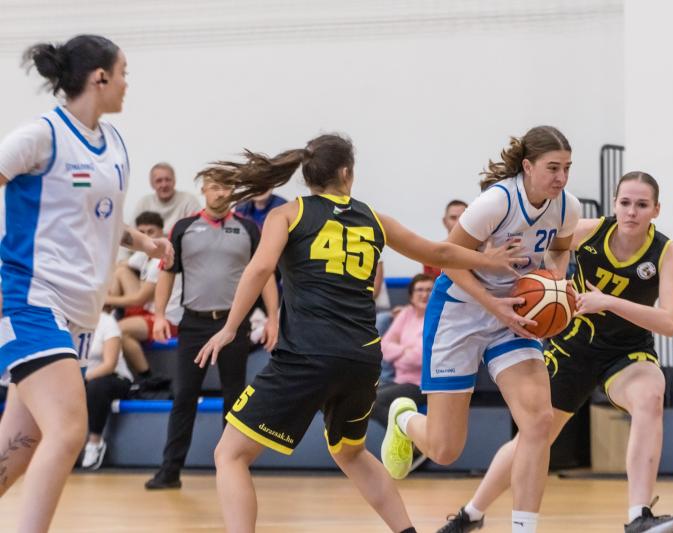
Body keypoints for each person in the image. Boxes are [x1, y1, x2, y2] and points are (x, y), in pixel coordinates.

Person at [194, 133, 523, 533]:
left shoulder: (288, 214)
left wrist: (230, 328)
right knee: (351, 453)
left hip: (308, 355)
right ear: (347, 173)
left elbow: (260, 269)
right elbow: (438, 253)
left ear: (307, 175)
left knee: (230, 454)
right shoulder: (374, 219)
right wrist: (487, 260)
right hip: (361, 359)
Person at [434, 172, 673, 533]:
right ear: (614, 204)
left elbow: (670, 322)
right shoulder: (588, 231)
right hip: (572, 347)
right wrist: (542, 273)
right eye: (625, 203)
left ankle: (639, 516)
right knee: (534, 435)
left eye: (642, 205)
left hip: (627, 352)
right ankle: (471, 514)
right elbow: (536, 244)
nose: (632, 211)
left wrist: (608, 302)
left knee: (651, 398)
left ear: (656, 210)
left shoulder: (668, 253)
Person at [0, 34, 172, 533]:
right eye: (123, 73)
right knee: (69, 429)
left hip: (79, 315)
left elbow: (102, 218)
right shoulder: (42, 135)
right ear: (100, 77)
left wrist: (146, 243)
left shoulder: (113, 143)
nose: (126, 83)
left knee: (22, 444)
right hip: (31, 300)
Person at [380, 126, 580, 533]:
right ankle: (404, 419)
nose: (561, 177)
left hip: (517, 311)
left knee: (538, 421)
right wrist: (493, 305)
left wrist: (556, 285)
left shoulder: (567, 207)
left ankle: (524, 529)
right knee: (445, 449)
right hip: (461, 311)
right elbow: (448, 262)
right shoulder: (495, 203)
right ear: (527, 166)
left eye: (567, 168)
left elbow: (560, 249)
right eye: (552, 168)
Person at [144, 171, 279, 490]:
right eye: (215, 187)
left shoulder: (249, 228)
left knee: (234, 397)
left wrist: (273, 318)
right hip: (194, 324)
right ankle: (170, 471)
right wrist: (159, 315)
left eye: (227, 186)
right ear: (203, 190)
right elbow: (167, 272)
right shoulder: (183, 227)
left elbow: (265, 274)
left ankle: (233, 469)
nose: (221, 192)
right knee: (184, 396)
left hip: (233, 324)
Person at [106, 211, 183, 376]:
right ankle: (104, 316)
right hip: (148, 310)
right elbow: (120, 266)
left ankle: (147, 377)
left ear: (161, 232)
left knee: (117, 330)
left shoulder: (161, 256)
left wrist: (106, 299)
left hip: (167, 319)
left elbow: (139, 299)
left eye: (151, 232)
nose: (146, 236)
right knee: (120, 272)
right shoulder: (143, 253)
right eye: (141, 232)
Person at [371, 273, 434, 471]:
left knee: (373, 401)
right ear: (411, 296)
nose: (424, 294)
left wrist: (400, 352)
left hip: (421, 384)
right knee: (361, 397)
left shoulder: (438, 318)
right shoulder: (406, 314)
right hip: (398, 380)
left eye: (429, 290)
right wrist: (406, 351)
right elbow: (384, 346)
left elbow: (422, 358)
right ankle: (412, 441)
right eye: (420, 290)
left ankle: (416, 446)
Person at [81, 311, 134, 470]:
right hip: (82, 380)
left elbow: (109, 365)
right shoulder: (67, 324)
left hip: (115, 378)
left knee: (95, 387)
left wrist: (82, 379)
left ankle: (95, 443)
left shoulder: (107, 322)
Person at [131, 162, 201, 232]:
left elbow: (198, 230)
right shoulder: (144, 203)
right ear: (152, 184)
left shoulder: (188, 201)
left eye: (168, 180)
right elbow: (132, 231)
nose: (164, 185)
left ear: (174, 181)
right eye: (159, 181)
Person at [423, 199, 467, 277]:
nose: (458, 222)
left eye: (463, 217)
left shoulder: (482, 251)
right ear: (444, 221)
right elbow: (428, 283)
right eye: (453, 218)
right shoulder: (431, 254)